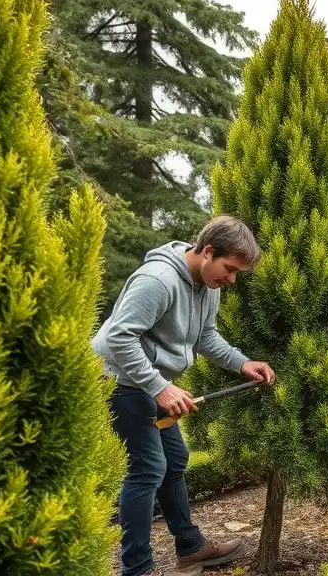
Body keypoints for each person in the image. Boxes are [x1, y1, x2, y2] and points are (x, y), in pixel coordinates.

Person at [93, 215, 276, 576]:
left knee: (175, 461)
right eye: (229, 268)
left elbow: (205, 336)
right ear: (207, 251)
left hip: (147, 381)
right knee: (147, 469)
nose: (231, 279)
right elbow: (118, 338)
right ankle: (137, 568)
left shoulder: (208, 287)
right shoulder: (157, 281)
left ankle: (190, 549)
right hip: (118, 380)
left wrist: (243, 363)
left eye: (237, 272)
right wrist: (159, 386)